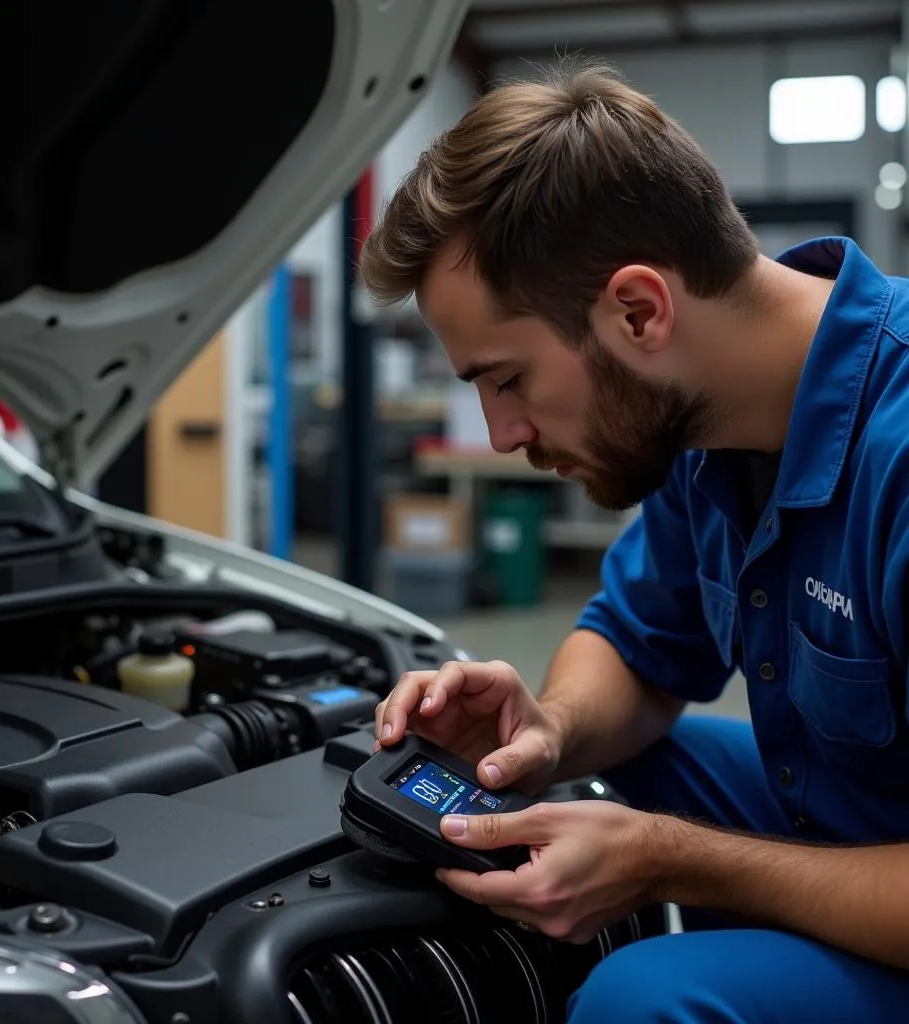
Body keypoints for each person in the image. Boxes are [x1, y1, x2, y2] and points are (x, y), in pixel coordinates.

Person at [359, 61, 909, 1022]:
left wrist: (673, 858)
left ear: (639, 310)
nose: (501, 436)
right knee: (602, 778)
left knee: (641, 1003)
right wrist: (550, 729)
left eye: (507, 379)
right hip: (857, 821)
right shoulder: (707, 428)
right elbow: (638, 644)